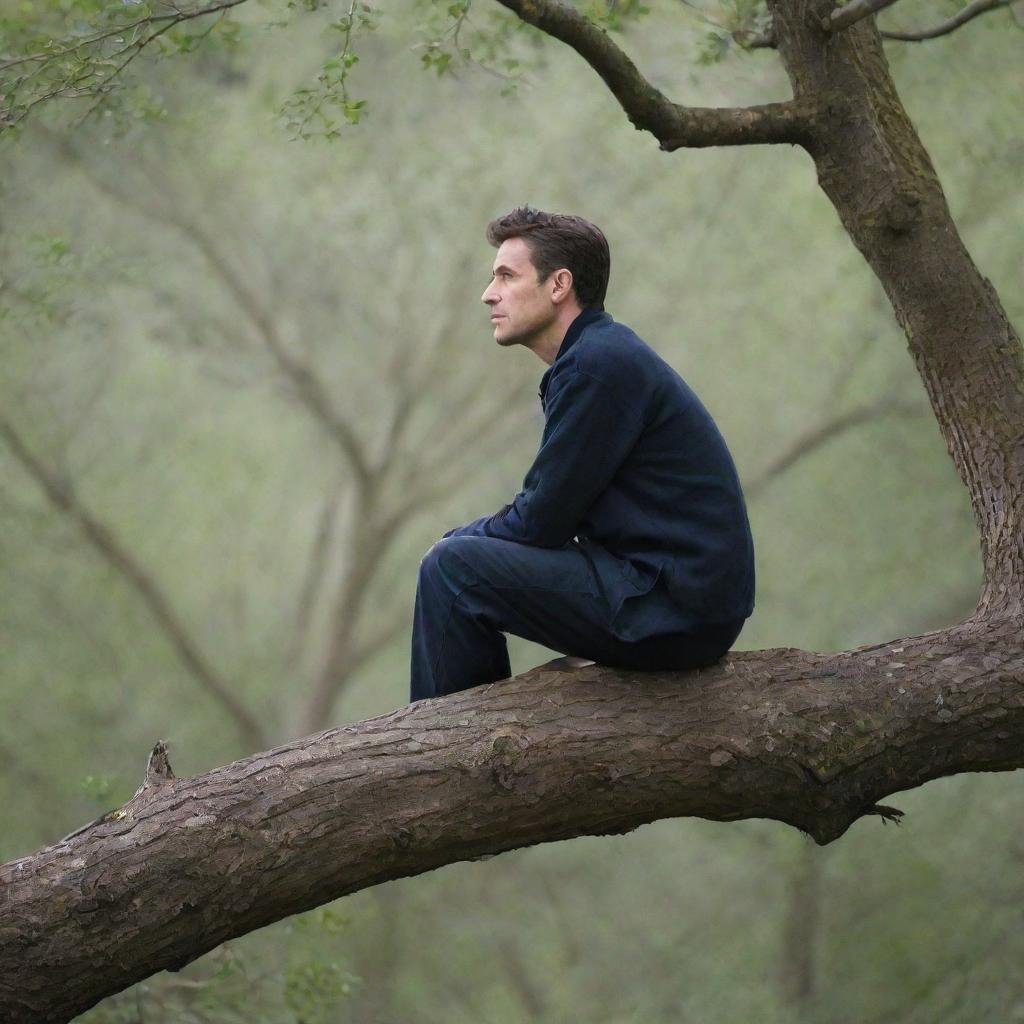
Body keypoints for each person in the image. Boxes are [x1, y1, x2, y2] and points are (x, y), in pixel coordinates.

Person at [409, 207, 754, 703]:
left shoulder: (598, 367)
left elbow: (539, 522)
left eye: (507, 275)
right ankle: (470, 734)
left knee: (451, 569)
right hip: (673, 597)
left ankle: (444, 755)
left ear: (558, 285)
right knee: (456, 564)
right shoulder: (596, 357)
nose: (489, 293)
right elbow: (550, 516)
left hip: (672, 606)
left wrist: (454, 541)